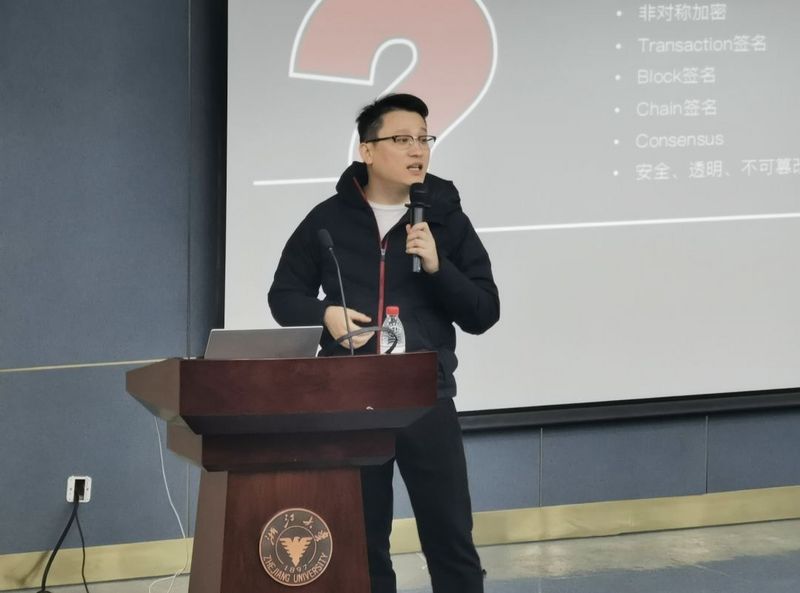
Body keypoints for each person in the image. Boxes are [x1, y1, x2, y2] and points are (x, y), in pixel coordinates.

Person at [268, 93, 500, 593]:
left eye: (424, 138)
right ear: (368, 150)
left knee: (450, 536)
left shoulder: (445, 221)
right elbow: (283, 295)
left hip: (424, 395)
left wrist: (439, 266)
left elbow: (484, 312)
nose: (418, 149)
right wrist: (324, 315)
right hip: (350, 398)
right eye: (402, 139)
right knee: (361, 539)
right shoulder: (327, 219)